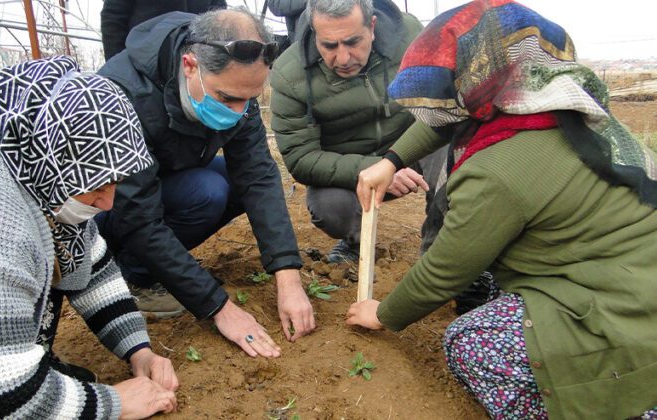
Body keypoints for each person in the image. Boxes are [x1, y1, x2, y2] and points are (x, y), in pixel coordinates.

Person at [345, 1, 657, 418]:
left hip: (622, 314)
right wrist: (392, 160)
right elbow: (449, 112)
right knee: (492, 278)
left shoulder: (497, 169)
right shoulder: (551, 100)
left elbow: (445, 270)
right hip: (627, 272)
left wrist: (382, 314)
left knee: (469, 341)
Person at [0, 56, 179, 419]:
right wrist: (114, 404)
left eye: (113, 181)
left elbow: (91, 266)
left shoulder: (31, 157)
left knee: (50, 257)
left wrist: (139, 350)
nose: (108, 201)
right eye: (96, 186)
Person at [97, 8, 315, 359]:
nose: (239, 110)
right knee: (208, 193)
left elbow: (258, 176)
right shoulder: (125, 94)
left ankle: (150, 266)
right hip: (109, 209)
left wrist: (287, 277)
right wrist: (219, 307)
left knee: (232, 182)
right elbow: (138, 217)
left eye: (251, 98)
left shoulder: (235, 90)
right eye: (227, 98)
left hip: (170, 178)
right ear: (190, 66)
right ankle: (133, 276)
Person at [269, 0, 428, 264]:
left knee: (456, 154)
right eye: (329, 46)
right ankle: (354, 243)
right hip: (351, 166)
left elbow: (444, 102)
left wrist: (396, 159)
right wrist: (381, 167)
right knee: (331, 208)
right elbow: (301, 158)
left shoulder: (409, 35)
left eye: (353, 42)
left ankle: (450, 252)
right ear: (313, 32)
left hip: (413, 147)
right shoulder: (290, 75)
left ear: (372, 26)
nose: (342, 59)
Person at [101, 0, 227, 61]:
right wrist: (117, 63)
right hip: (142, 64)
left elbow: (218, 12)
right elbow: (113, 17)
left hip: (194, 63)